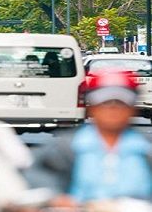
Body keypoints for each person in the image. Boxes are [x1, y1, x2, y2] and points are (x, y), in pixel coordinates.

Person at [25, 71, 152, 208]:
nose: (113, 110)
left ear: (133, 109)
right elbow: (38, 177)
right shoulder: (67, 147)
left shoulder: (145, 148)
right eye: (105, 103)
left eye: (121, 104)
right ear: (91, 108)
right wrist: (56, 197)